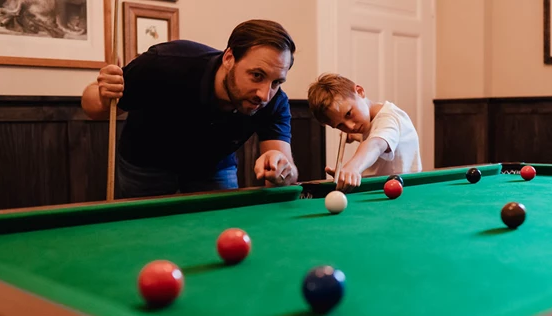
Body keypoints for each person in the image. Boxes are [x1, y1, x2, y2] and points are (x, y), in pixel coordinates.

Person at [81, 19, 299, 198]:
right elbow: (94, 108)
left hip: (213, 167)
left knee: (220, 233)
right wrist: (102, 94)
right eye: (257, 75)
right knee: (145, 235)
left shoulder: (275, 101)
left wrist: (282, 171)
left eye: (276, 82)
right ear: (229, 58)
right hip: (145, 164)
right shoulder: (164, 64)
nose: (264, 94)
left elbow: (286, 169)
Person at [307, 73, 422, 193]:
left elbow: (376, 144)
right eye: (340, 125)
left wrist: (353, 167)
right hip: (378, 194)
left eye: (348, 114)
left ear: (360, 91)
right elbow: (374, 133)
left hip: (403, 194)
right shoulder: (369, 123)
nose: (350, 126)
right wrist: (356, 136)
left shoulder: (389, 118)